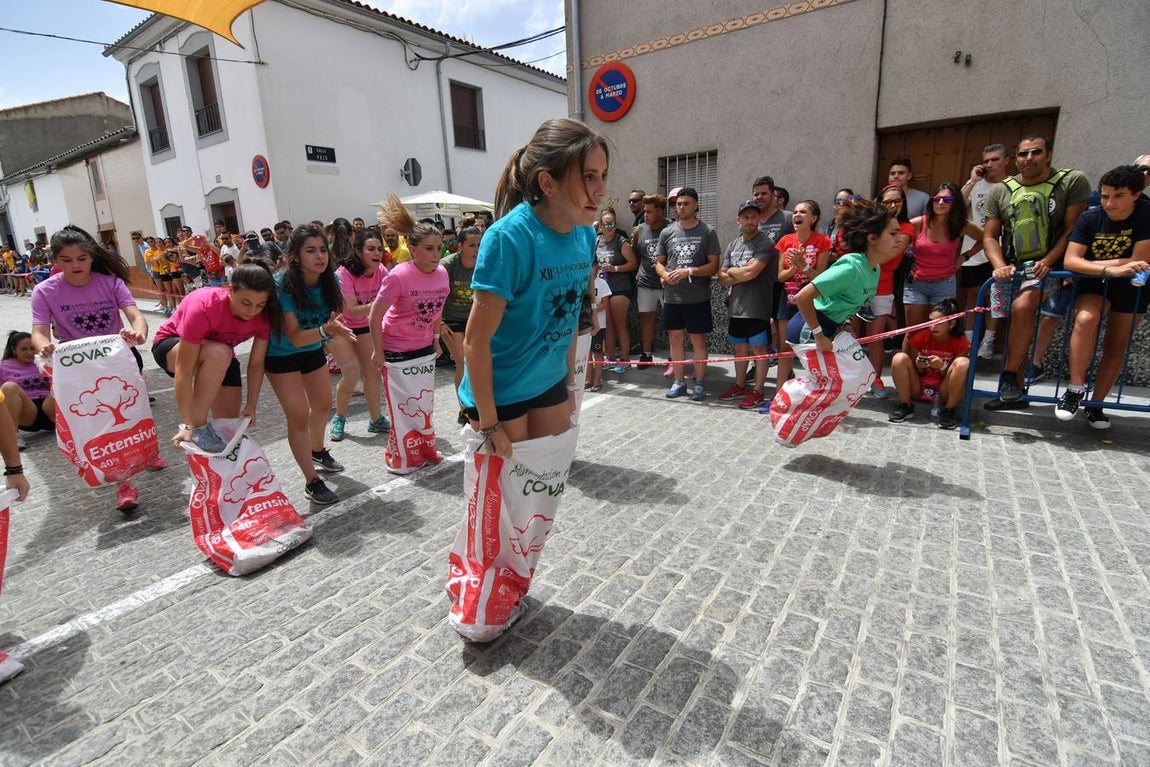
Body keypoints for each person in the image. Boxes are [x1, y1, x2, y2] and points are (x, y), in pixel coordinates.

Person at [459, 117, 606, 453]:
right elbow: (474, 341)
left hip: (548, 381)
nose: (601, 190)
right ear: (547, 182)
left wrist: (570, 386)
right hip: (500, 389)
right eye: (588, 177)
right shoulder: (507, 238)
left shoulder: (585, 234)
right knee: (504, 503)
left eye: (602, 175)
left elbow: (567, 319)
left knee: (544, 494)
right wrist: (489, 421)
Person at [31, 225, 165, 512]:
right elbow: (38, 332)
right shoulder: (44, 291)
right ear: (55, 260)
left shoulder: (111, 283)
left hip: (117, 359)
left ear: (91, 257)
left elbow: (135, 316)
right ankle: (123, 484)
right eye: (66, 260)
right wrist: (44, 346)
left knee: (135, 409)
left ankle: (148, 450)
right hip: (77, 367)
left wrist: (138, 332)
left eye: (81, 258)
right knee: (100, 423)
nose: (75, 265)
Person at [983, 135, 1091, 410]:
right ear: (1015, 158)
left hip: (1052, 267)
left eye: (1035, 152)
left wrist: (1049, 260)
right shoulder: (1001, 190)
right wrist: (999, 266)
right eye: (1023, 153)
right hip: (1013, 267)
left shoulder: (1071, 181)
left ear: (1048, 154)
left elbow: (1072, 229)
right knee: (1016, 323)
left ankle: (1008, 375)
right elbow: (990, 236)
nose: (1028, 158)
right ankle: (1015, 392)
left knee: (1024, 307)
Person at [265, 225, 355, 505]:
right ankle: (311, 481)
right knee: (299, 416)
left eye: (322, 250)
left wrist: (332, 333)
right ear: (295, 256)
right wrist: (328, 332)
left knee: (323, 405)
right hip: (281, 354)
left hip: (311, 348)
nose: (320, 256)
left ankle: (317, 451)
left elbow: (333, 319)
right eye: (310, 250)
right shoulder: (283, 284)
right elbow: (294, 334)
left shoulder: (330, 281)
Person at [152, 260, 281, 452]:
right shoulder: (203, 305)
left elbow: (256, 363)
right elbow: (183, 370)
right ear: (230, 290)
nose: (252, 311)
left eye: (259, 305)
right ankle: (198, 427)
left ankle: (220, 473)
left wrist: (252, 405)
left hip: (221, 355)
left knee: (228, 427)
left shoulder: (265, 315)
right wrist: (188, 423)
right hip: (172, 345)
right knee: (220, 353)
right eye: (246, 303)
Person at [1056, 165, 1150, 429]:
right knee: (1086, 319)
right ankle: (1075, 389)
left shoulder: (1146, 214)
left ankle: (1096, 405)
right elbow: (1071, 260)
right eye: (1105, 195)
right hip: (1096, 283)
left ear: (1136, 194)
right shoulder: (1090, 217)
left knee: (1116, 346)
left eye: (1118, 196)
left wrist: (1096, 263)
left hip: (1133, 287)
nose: (1109, 203)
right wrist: (1113, 269)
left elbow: (1141, 259)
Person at [369, 196, 449, 474]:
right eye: (429, 249)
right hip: (396, 350)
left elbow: (437, 311)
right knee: (402, 409)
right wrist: (378, 352)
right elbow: (374, 315)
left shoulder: (442, 274)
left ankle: (425, 450)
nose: (436, 254)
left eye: (439, 248)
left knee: (424, 403)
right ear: (412, 249)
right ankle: (402, 457)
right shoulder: (399, 275)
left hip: (424, 349)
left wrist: (436, 340)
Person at [788, 198, 904, 352]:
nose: (900, 238)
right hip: (808, 330)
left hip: (830, 328)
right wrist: (819, 335)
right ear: (873, 238)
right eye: (893, 233)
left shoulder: (874, 268)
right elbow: (802, 297)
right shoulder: (851, 267)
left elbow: (848, 300)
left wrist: (846, 323)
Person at [655, 187, 721, 401]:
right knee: (675, 339)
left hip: (697, 297)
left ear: (696, 205)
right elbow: (659, 262)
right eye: (677, 204)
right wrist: (665, 274)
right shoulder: (667, 232)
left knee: (698, 341)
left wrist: (689, 271)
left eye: (685, 203)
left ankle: (699, 382)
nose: (680, 207)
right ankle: (679, 381)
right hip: (673, 297)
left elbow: (713, 265)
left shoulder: (707, 231)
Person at [329, 228, 390, 440]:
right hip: (339, 326)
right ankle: (339, 417)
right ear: (358, 251)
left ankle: (376, 419)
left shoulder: (381, 270)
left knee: (372, 372)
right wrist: (379, 304)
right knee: (352, 372)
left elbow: (394, 296)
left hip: (365, 325)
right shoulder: (343, 274)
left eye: (380, 249)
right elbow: (351, 311)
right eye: (371, 249)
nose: (377, 253)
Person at [717, 200, 777, 410]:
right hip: (737, 307)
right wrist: (738, 273)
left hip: (758, 307)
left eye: (754, 217)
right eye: (746, 217)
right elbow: (722, 277)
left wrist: (734, 272)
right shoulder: (733, 244)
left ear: (759, 219)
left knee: (759, 350)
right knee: (739, 348)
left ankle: (758, 391)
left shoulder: (765, 244)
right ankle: (739, 386)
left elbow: (752, 273)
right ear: (738, 219)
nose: (750, 221)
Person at [772, 200, 832, 405]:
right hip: (787, 297)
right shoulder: (785, 240)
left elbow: (821, 277)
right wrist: (795, 267)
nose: (797, 215)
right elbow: (780, 276)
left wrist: (803, 265)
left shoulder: (822, 241)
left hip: (812, 298)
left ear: (813, 218)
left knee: (811, 348)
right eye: (795, 212)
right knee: (784, 347)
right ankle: (780, 397)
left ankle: (815, 396)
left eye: (803, 212)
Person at [904, 182, 984, 332]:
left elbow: (986, 239)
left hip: (944, 283)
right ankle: (910, 357)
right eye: (937, 198)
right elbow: (894, 242)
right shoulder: (918, 223)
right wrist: (905, 264)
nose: (940, 202)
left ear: (955, 204)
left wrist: (964, 257)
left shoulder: (961, 225)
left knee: (940, 331)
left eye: (947, 200)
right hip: (916, 283)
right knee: (913, 332)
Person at [888, 298, 971, 429]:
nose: (933, 326)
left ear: (951, 324)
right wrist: (920, 367)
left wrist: (942, 367)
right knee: (899, 358)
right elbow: (916, 371)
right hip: (919, 386)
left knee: (963, 363)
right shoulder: (920, 338)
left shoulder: (961, 343)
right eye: (931, 322)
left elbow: (956, 374)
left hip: (943, 391)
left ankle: (949, 410)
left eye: (939, 323)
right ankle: (905, 405)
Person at [960, 144, 1010, 357]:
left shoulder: (1012, 185)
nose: (990, 164)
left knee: (994, 297)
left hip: (1000, 249)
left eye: (995, 160)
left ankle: (988, 341)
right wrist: (972, 181)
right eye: (986, 160)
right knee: (971, 295)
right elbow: (956, 207)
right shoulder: (976, 185)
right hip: (974, 249)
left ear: (1006, 161)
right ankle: (969, 340)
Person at [439, 225, 482, 422]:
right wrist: (438, 323)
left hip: (473, 318)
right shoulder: (447, 266)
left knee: (479, 363)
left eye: (479, 245)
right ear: (460, 246)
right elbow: (435, 296)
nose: (476, 249)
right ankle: (464, 409)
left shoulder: (482, 264)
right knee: (463, 362)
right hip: (450, 320)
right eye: (472, 245)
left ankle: (478, 403)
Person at [594, 208, 638, 372]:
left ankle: (625, 360)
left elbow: (633, 263)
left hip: (620, 288)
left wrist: (616, 268)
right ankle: (610, 357)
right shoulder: (597, 241)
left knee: (619, 324)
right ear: (601, 225)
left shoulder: (622, 242)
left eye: (612, 223)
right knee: (608, 325)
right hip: (604, 289)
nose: (610, 227)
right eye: (606, 224)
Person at [0, 331, 56, 448]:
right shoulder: (4, 367)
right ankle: (12, 436)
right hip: (27, 412)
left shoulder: (47, 361)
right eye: (24, 349)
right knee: (9, 387)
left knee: (62, 380)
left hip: (50, 408)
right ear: (14, 350)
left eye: (32, 348)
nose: (29, 352)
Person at [633, 193, 669, 366]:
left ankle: (673, 357)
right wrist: (638, 270)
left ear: (660, 212)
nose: (645, 214)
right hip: (645, 282)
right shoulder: (639, 230)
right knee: (646, 319)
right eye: (644, 211)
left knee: (672, 321)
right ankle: (646, 355)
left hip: (667, 283)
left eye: (649, 211)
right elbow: (636, 253)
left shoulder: (671, 228)